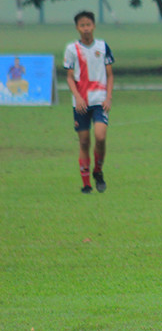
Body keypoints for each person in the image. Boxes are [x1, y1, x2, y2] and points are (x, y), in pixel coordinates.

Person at [64, 11, 115, 194]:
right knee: (84, 142)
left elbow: (109, 74)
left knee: (100, 137)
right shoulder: (72, 49)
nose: (85, 28)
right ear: (77, 28)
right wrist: (77, 97)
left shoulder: (102, 46)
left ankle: (98, 171)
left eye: (88, 25)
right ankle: (86, 184)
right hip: (81, 103)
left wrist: (108, 97)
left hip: (100, 100)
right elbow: (69, 77)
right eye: (82, 25)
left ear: (93, 26)